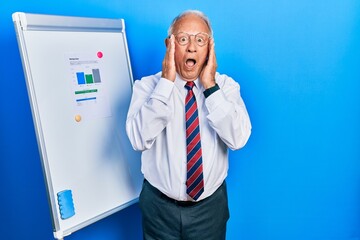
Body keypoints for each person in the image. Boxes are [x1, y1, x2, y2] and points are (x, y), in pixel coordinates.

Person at [126, 9, 251, 240]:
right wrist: (165, 83)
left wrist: (210, 87)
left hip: (209, 208)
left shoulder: (226, 87)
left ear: (210, 48)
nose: (192, 47)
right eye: (183, 39)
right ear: (169, 45)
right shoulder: (146, 87)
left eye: (200, 40)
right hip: (158, 209)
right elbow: (138, 139)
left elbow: (238, 139)